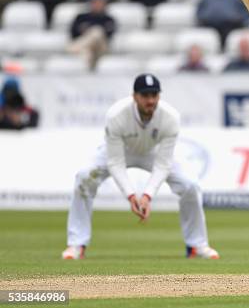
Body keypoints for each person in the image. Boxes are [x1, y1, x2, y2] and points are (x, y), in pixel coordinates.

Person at [62, 74, 219, 260]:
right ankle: (76, 244)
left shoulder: (170, 117)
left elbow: (163, 164)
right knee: (84, 177)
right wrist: (131, 195)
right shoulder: (116, 115)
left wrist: (146, 196)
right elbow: (115, 162)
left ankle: (196, 246)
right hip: (119, 150)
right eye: (145, 96)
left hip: (153, 151)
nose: (150, 100)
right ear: (134, 96)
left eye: (154, 95)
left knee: (190, 184)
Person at [67, 0, 116, 70]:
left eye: (100, 1)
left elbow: (108, 35)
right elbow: (73, 33)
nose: (97, 4)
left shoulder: (108, 19)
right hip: (87, 48)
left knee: (97, 31)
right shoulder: (81, 17)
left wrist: (88, 31)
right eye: (94, 1)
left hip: (101, 49)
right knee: (86, 53)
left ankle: (74, 48)